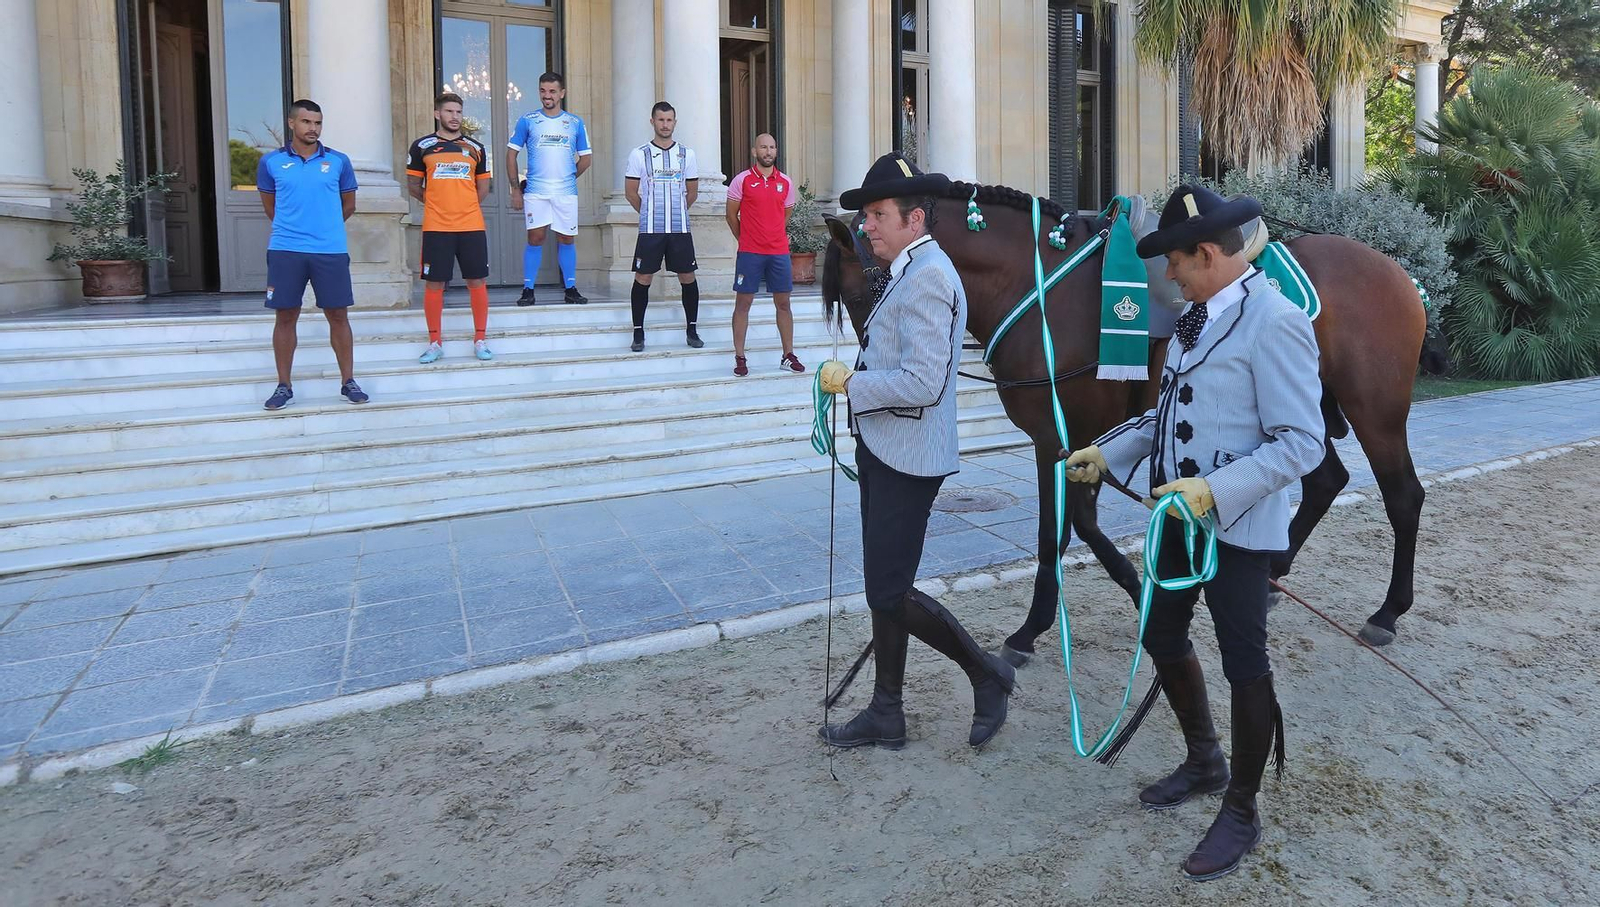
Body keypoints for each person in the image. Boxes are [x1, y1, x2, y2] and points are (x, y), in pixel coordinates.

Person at [1061, 184, 1326, 881]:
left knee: (1246, 664)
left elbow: (1303, 442)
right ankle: (1205, 757)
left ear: (1207, 253)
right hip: (1177, 520)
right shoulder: (1195, 319)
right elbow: (1165, 417)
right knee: (1160, 632)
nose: (1167, 274)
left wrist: (1215, 488)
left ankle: (1242, 805)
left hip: (1236, 525)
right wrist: (1106, 450)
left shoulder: (1274, 320)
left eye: (1174, 261)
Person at [815, 152, 1015, 751]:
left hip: (909, 455)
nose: (867, 226)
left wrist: (852, 385)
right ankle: (887, 710)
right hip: (884, 444)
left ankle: (986, 675)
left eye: (877, 215)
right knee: (885, 584)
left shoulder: (928, 275)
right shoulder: (907, 268)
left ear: (916, 218)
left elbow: (925, 382)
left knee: (889, 589)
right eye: (867, 216)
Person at [256, 98, 368, 410]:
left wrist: (324, 227)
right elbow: (270, 206)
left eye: (317, 123)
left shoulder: (338, 161)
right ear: (292, 123)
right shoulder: (271, 162)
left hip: (329, 251)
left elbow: (349, 205)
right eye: (306, 122)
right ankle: (283, 386)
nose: (313, 128)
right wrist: (294, 227)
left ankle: (348, 381)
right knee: (286, 315)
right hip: (285, 250)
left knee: (338, 315)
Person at [406, 92, 493, 364]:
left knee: (476, 281)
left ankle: (480, 339)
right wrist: (437, 203)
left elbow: (483, 188)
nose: (454, 117)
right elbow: (413, 187)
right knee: (435, 283)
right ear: (437, 114)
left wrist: (462, 205)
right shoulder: (422, 146)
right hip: (436, 226)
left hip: (471, 225)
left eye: (458, 112)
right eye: (449, 112)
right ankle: (435, 342)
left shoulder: (475, 147)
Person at [506, 71, 591, 306]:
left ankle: (571, 288)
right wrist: (515, 189)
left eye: (552, 91)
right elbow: (511, 154)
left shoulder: (574, 123)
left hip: (565, 192)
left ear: (562, 93)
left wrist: (569, 177)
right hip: (536, 191)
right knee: (536, 237)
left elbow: (586, 158)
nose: (547, 95)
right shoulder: (528, 120)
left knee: (566, 238)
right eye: (543, 91)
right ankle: (528, 289)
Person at [624, 101, 701, 352]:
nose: (665, 125)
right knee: (643, 277)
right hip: (650, 230)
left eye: (669, 120)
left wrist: (675, 211)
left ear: (675, 123)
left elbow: (692, 192)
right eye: (660, 120)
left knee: (687, 277)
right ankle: (638, 333)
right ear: (652, 122)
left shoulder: (686, 154)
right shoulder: (639, 154)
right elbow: (631, 192)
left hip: (679, 230)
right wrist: (649, 213)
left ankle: (691, 329)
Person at [725, 133, 803, 376]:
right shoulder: (742, 180)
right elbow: (730, 216)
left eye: (772, 147)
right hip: (750, 252)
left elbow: (785, 213)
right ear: (754, 151)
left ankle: (788, 355)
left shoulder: (786, 182)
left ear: (776, 151)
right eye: (763, 147)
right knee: (743, 304)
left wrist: (772, 234)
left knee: (783, 303)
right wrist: (746, 239)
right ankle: (740, 356)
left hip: (778, 252)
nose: (768, 152)